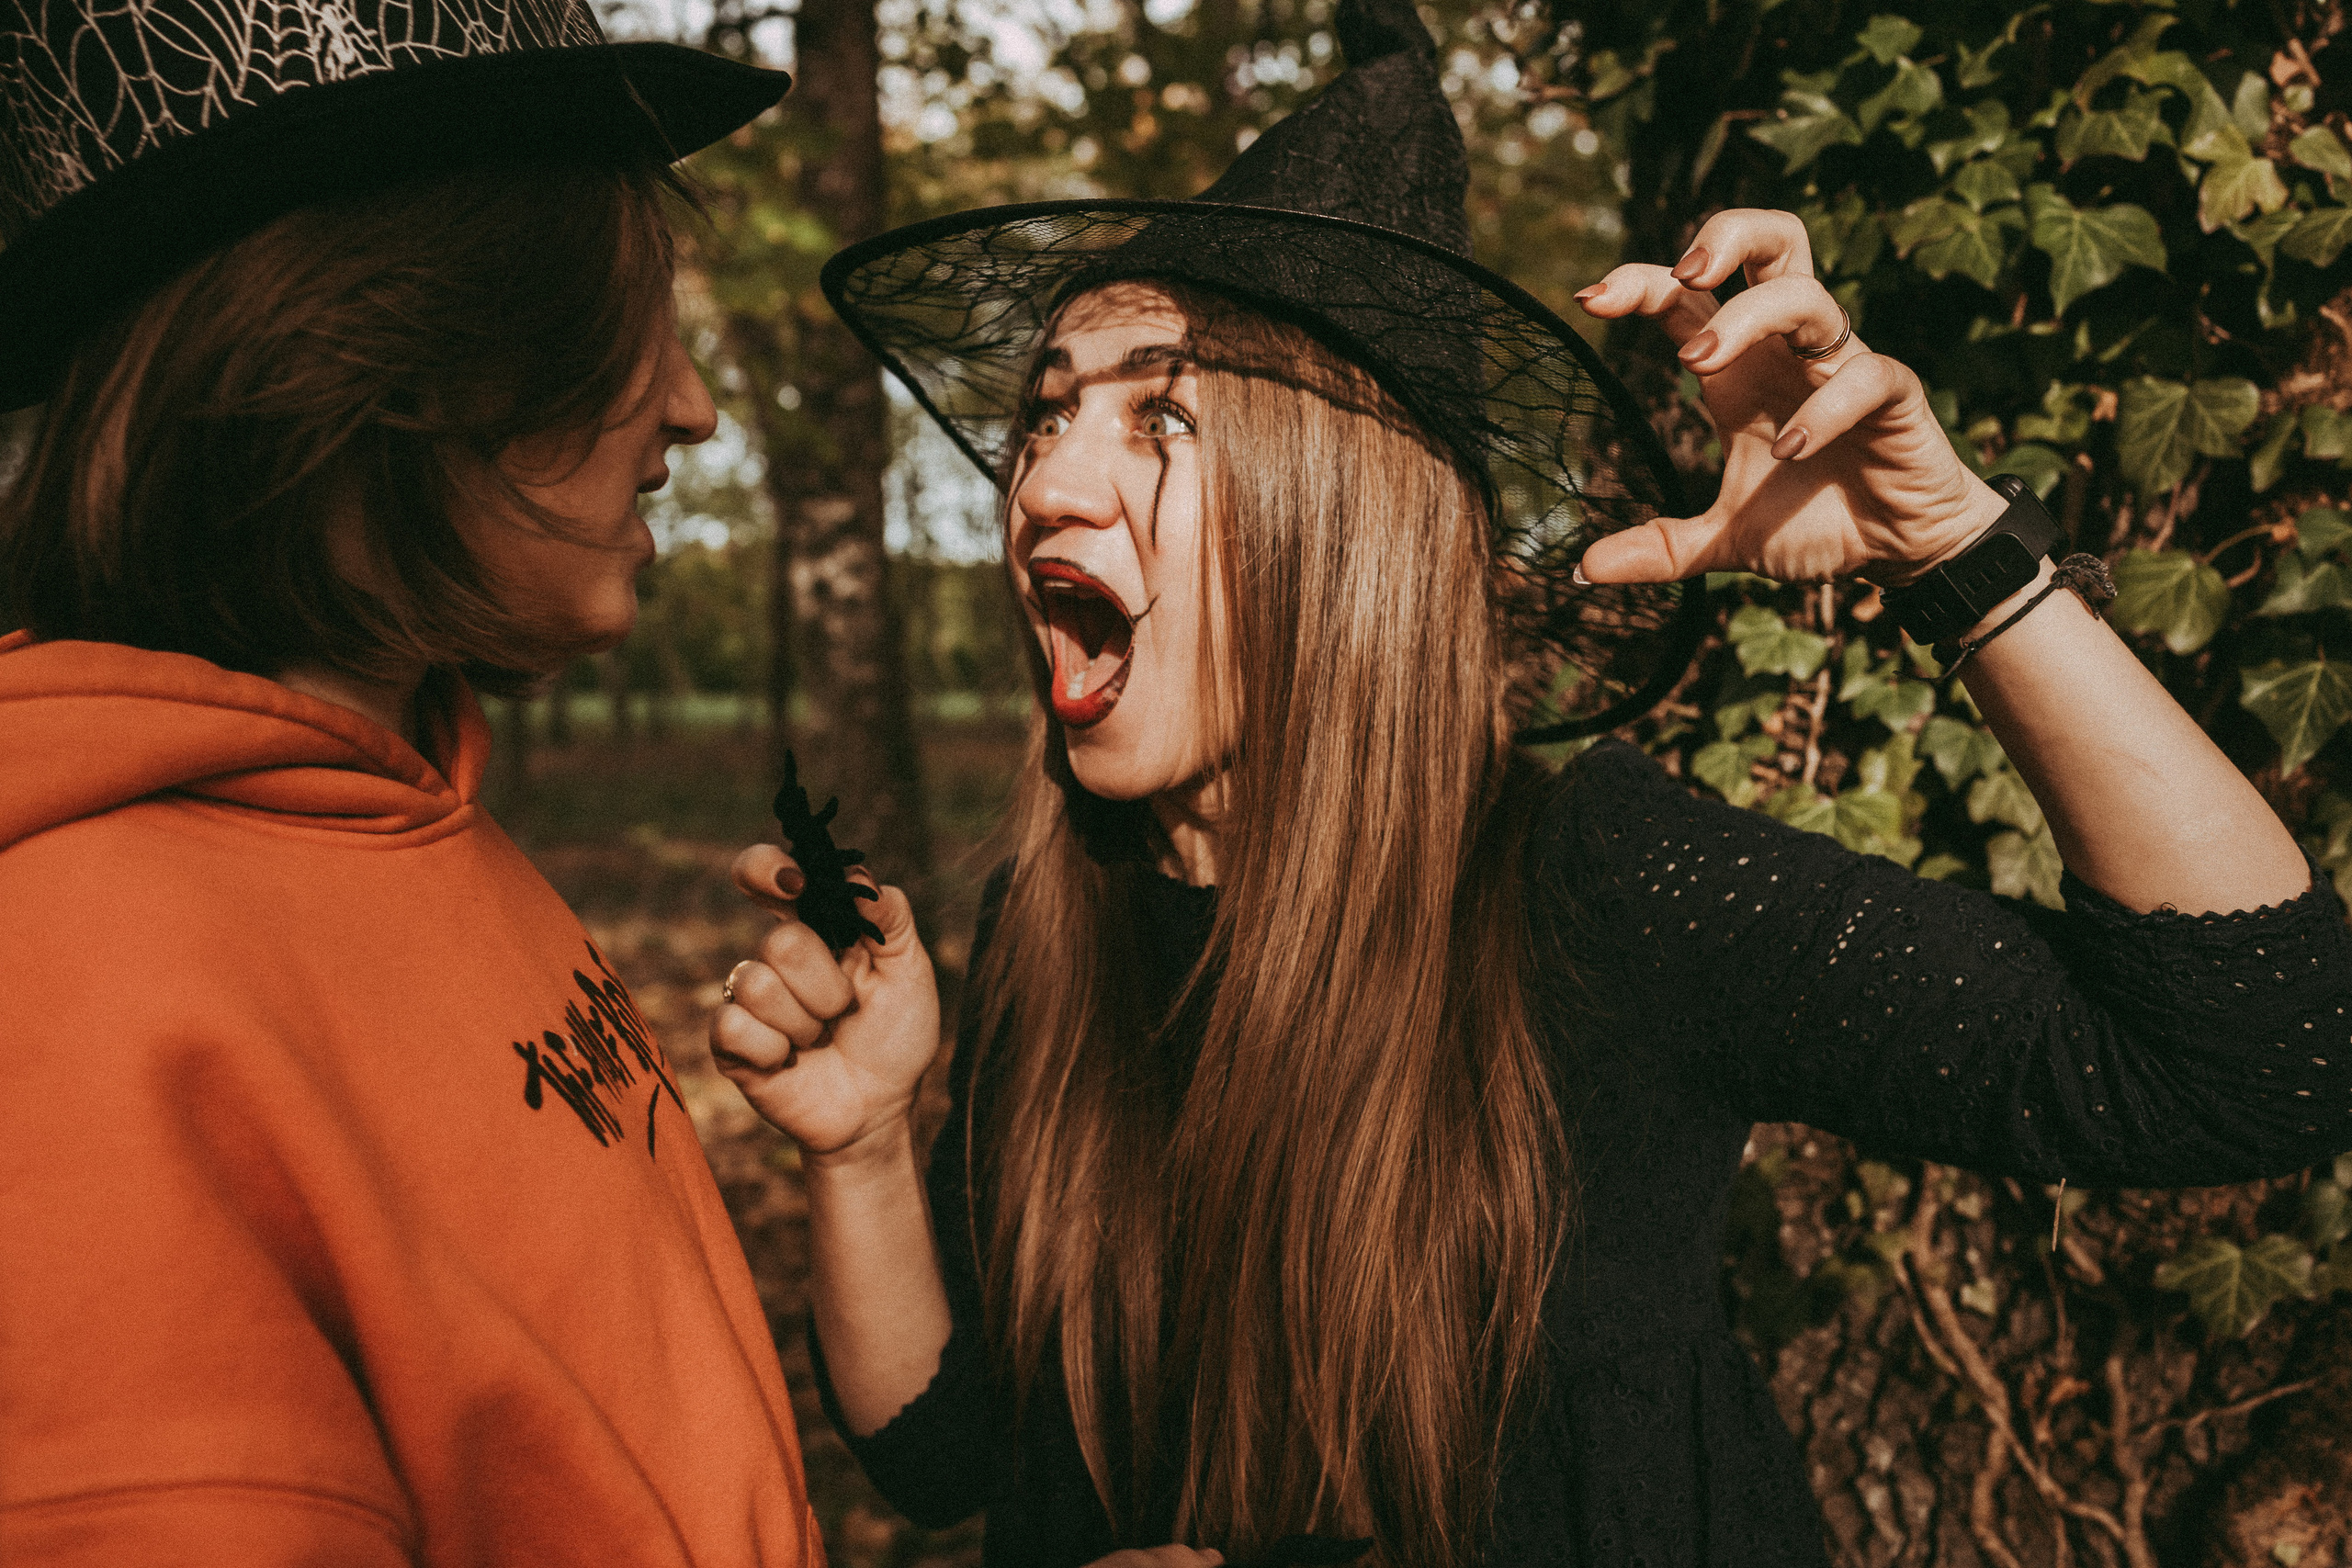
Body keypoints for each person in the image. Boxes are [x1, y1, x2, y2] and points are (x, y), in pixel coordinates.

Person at [708, 2, 2352, 1564]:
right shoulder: (1052, 928)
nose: (1045, 480)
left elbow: (2261, 1054)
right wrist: (859, 1148)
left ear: (1348, 526)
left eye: (1167, 421)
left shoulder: (1600, 890)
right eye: (1049, 414)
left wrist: (1954, 553)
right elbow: (941, 1456)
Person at [0, 3, 825, 1563]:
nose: (694, 407)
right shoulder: (69, 1010)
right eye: (639, 318)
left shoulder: (405, 817)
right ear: (419, 361)